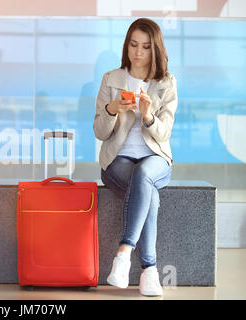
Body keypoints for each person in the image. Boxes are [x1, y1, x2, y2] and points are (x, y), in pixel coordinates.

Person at [93, 18, 178, 296]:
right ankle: (149, 271)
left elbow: (163, 134)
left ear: (155, 50)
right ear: (126, 45)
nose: (138, 52)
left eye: (145, 47)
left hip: (155, 157)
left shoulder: (166, 83)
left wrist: (147, 115)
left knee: (145, 175)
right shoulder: (111, 79)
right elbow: (99, 132)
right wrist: (112, 108)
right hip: (118, 160)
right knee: (148, 194)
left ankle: (123, 253)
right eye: (133, 45)